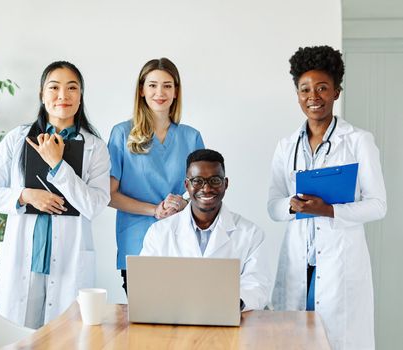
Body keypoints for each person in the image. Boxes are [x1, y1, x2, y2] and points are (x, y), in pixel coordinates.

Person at [267, 46, 386, 349]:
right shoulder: (286, 146)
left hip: (339, 265)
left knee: (334, 342)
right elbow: (273, 205)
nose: (313, 96)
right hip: (299, 263)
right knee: (295, 340)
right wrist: (290, 206)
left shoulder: (358, 141)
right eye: (305, 89)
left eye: (322, 88)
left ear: (336, 92)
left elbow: (378, 205)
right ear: (297, 95)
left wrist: (329, 210)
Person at [0, 61, 111, 328]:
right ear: (41, 94)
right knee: (18, 338)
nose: (63, 96)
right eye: (54, 87)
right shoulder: (18, 139)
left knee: (67, 340)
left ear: (81, 96)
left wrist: (58, 166)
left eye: (72, 88)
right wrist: (25, 196)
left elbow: (95, 205)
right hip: (24, 260)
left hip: (69, 263)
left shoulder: (95, 147)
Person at [108, 58, 204, 294]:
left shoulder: (191, 137)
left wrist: (183, 202)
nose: (159, 92)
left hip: (182, 241)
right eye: (152, 85)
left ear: (176, 92)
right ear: (141, 90)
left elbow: (205, 191)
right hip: (137, 240)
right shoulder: (121, 134)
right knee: (144, 322)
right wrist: (154, 210)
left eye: (167, 85)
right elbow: (109, 195)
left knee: (184, 322)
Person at [141, 149, 271, 311]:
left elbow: (257, 285)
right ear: (187, 185)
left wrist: (231, 303)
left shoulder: (251, 233)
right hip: (175, 321)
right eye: (197, 181)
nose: (207, 188)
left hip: (231, 322)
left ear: (226, 184)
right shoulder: (160, 232)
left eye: (215, 180)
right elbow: (147, 283)